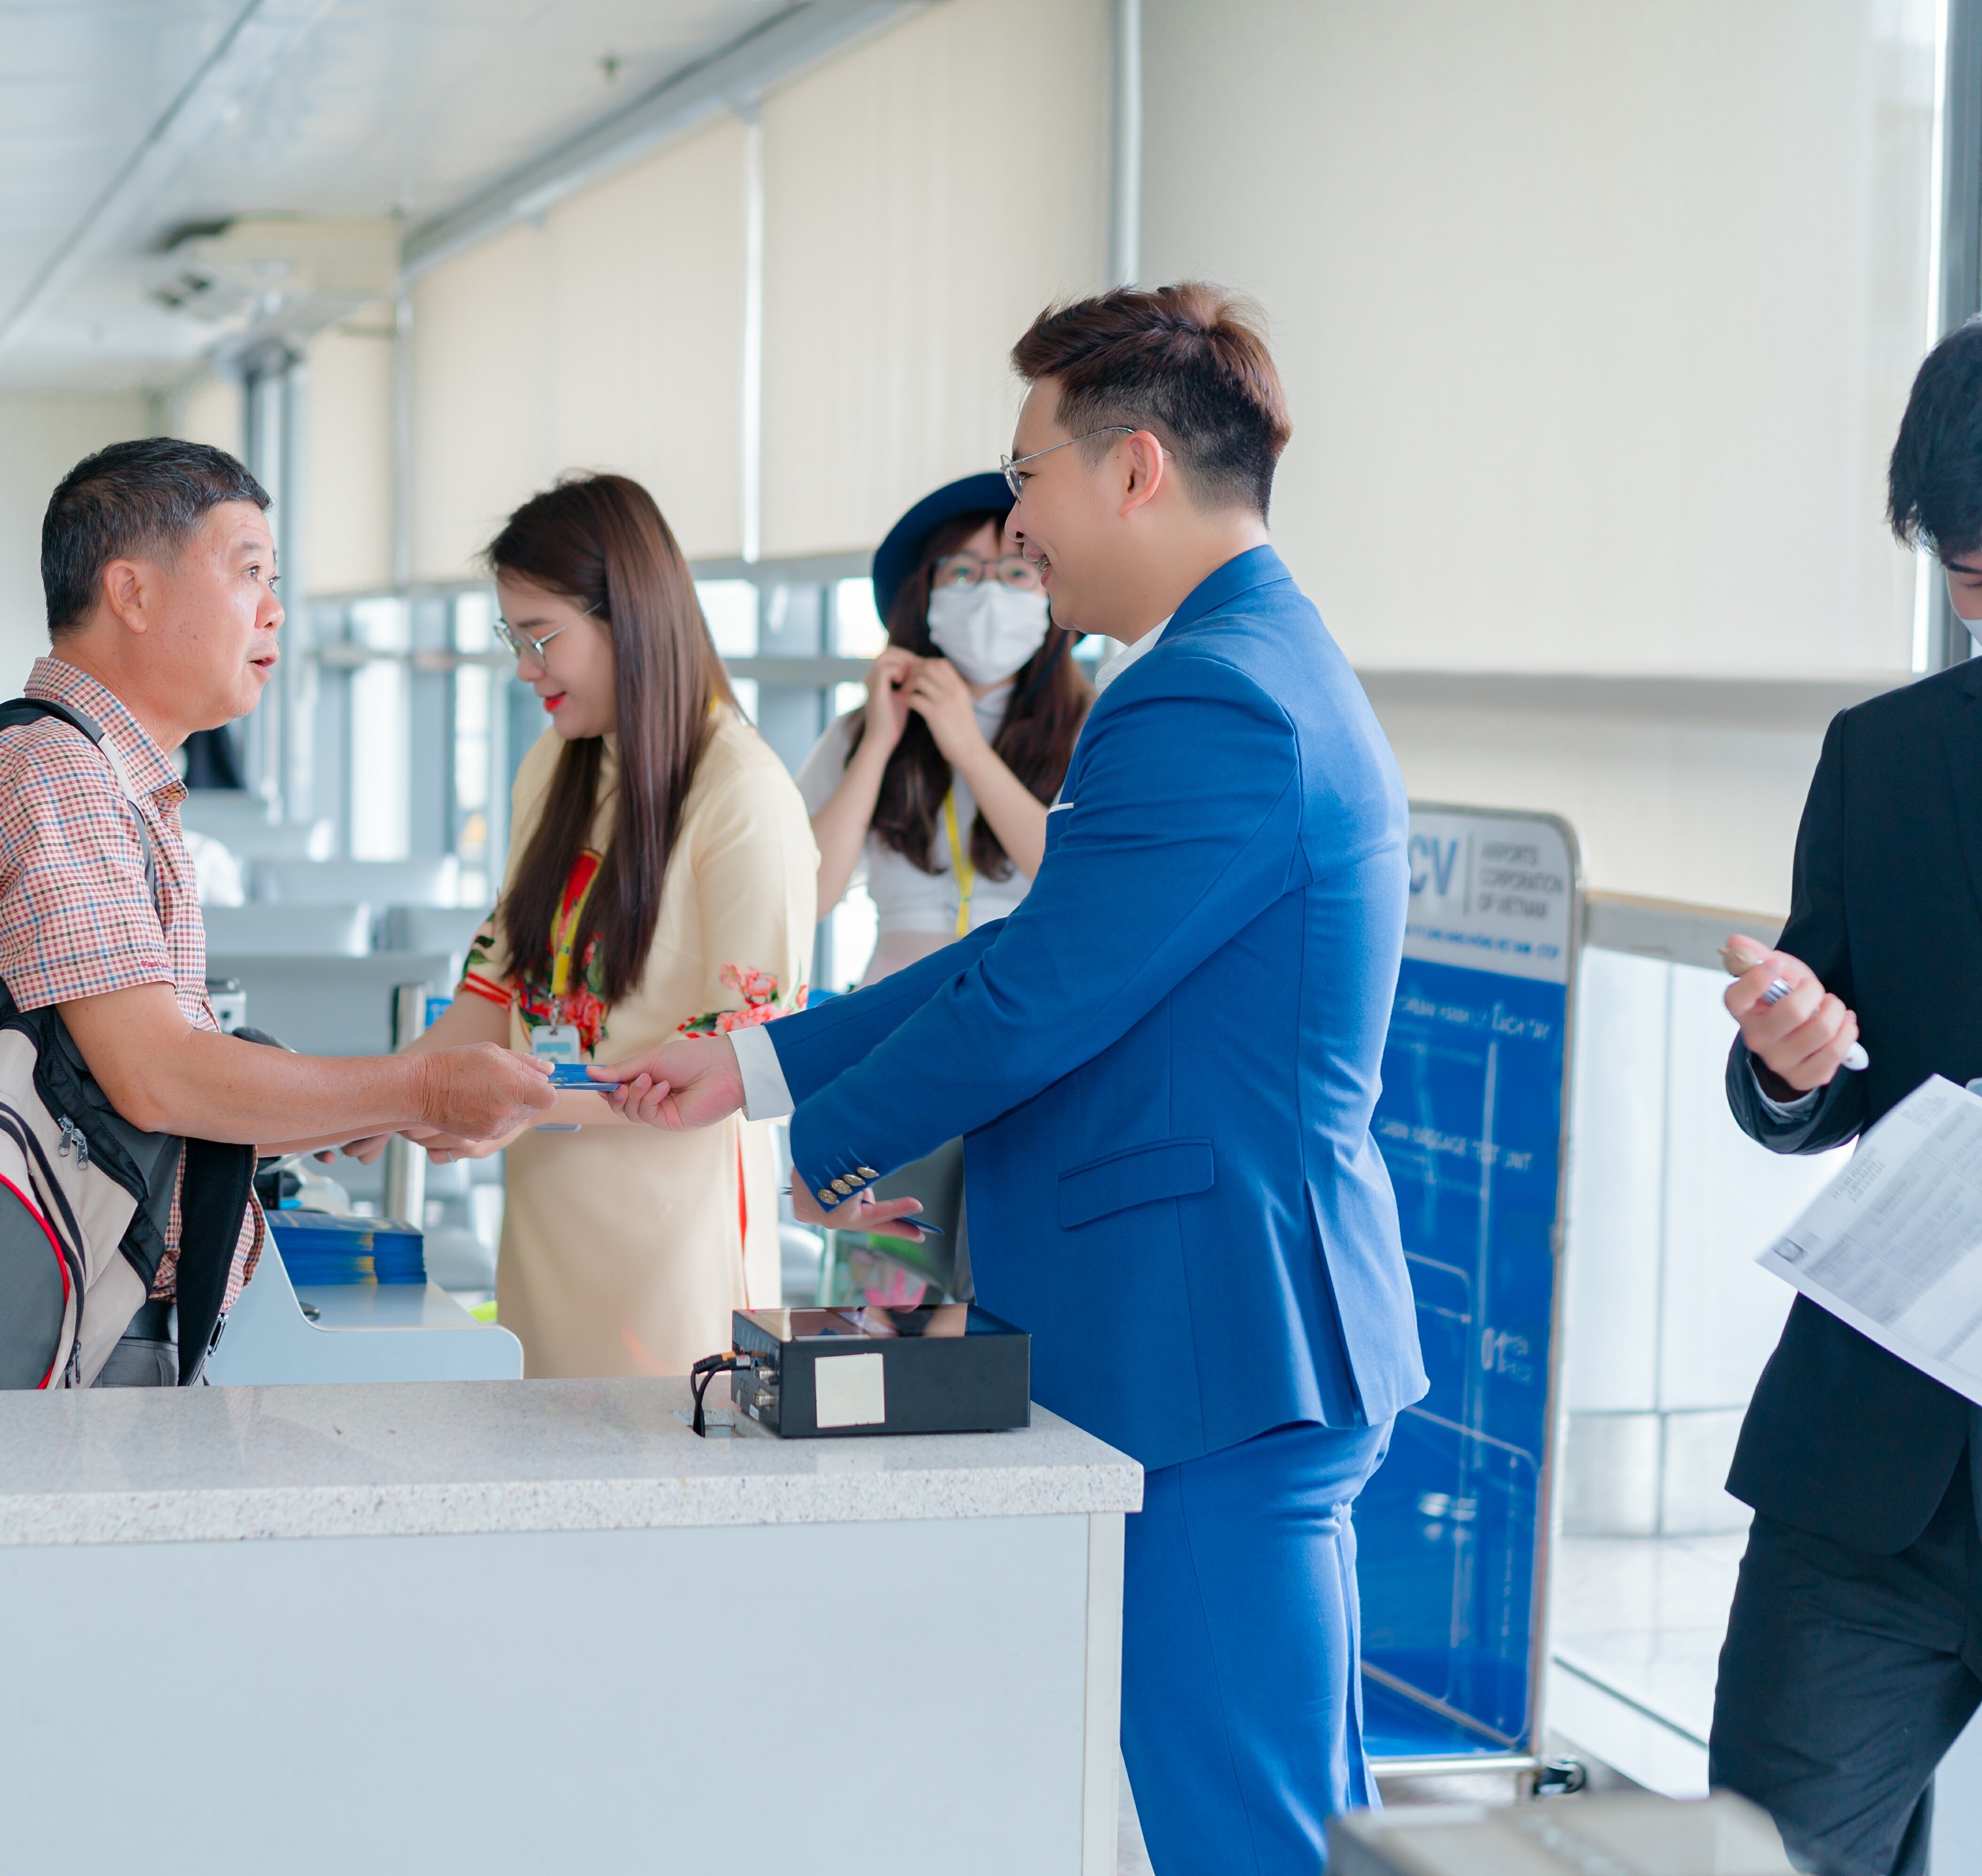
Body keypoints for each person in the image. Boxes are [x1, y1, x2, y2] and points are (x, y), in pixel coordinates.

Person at [600, 285, 1425, 1876]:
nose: (1020, 521)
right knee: (1277, 1807)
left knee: (1241, 1824)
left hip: (1215, 1337)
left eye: (1029, 472)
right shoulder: (1250, 661)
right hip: (1235, 1327)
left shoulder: (1212, 697)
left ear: (1132, 469)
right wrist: (759, 1066)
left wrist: (822, 1143)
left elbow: (1042, 995)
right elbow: (1029, 961)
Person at [0, 438, 552, 1377]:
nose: (275, 609)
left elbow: (128, 1091)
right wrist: (424, 1088)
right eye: (248, 571)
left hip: (58, 1307)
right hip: (51, 1327)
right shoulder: (59, 778)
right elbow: (160, 1078)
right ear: (135, 594)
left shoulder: (96, 776)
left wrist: (359, 1104)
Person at [1710, 317, 1982, 1876]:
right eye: (1958, 566)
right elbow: (1812, 1061)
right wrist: (1788, 1057)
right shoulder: (1883, 761)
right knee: (1764, 1856)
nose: (1964, 599)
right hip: (1876, 1478)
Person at [388, 473, 820, 1378]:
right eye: (514, 637)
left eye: (543, 637)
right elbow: (496, 986)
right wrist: (386, 1093)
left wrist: (503, 1103)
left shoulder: (744, 797)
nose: (525, 669)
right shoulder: (557, 765)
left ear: (629, 616)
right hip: (546, 1230)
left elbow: (750, 1056)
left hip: (674, 1251)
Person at [798, 472, 1094, 983]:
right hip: (890, 1001)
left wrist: (970, 751)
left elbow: (1082, 883)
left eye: (1018, 572)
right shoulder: (866, 724)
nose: (988, 594)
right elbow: (804, 896)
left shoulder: (1092, 722)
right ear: (925, 594)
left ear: (1050, 585)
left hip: (1028, 996)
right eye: (961, 573)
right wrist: (876, 744)